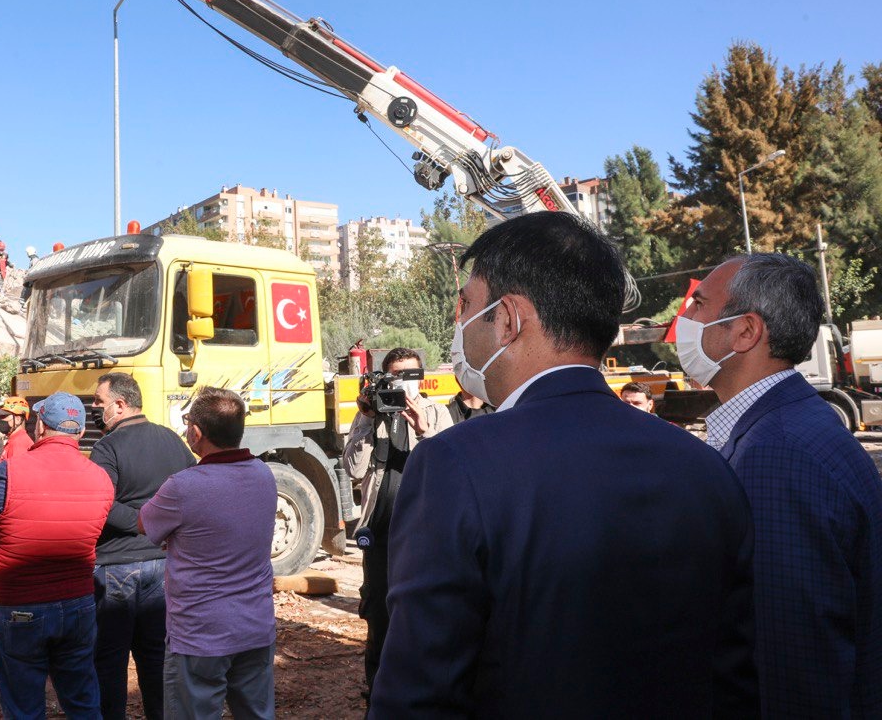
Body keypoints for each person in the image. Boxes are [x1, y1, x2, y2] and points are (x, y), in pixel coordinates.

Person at [370, 212, 758, 718]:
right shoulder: (704, 468)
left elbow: (419, 693)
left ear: (507, 319)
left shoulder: (455, 464)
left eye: (465, 304)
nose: (457, 322)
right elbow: (735, 676)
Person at [681, 253, 882, 717]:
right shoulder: (784, 428)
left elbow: (790, 661)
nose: (684, 321)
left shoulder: (777, 453)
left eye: (698, 305)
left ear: (746, 331)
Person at [139, 387, 277, 720]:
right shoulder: (265, 474)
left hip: (200, 635)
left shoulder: (183, 486)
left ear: (196, 433)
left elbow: (146, 523)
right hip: (255, 627)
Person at [0, 391, 115, 719]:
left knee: (24, 706)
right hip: (78, 603)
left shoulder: (9, 471)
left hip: (20, 607)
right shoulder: (101, 478)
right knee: (82, 701)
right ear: (80, 432)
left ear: (40, 426)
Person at [341, 348, 453, 701]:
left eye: (410, 376)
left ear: (422, 378)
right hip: (381, 529)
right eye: (395, 376)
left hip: (425, 531)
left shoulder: (437, 413)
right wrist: (365, 418)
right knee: (379, 613)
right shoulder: (373, 415)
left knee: (425, 611)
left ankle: (422, 691)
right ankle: (378, 692)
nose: (403, 384)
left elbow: (449, 470)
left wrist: (423, 430)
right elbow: (354, 470)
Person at [88, 373, 196, 720]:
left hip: (118, 568)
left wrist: (141, 521)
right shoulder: (173, 440)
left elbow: (99, 504)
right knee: (156, 659)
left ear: (119, 405)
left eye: (98, 403)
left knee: (109, 661)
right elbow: (194, 491)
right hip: (164, 567)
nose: (94, 409)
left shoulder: (106, 448)